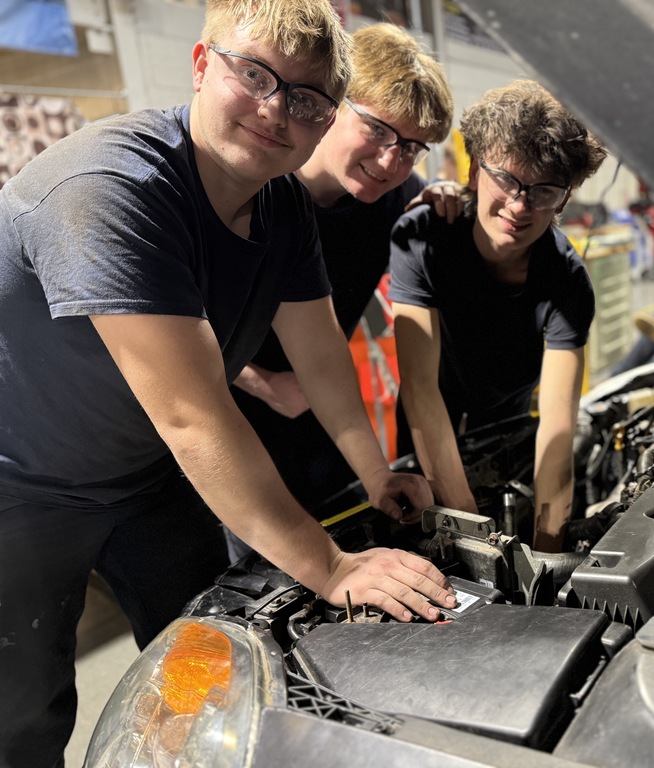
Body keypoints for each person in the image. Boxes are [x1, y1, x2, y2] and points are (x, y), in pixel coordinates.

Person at [0, 3, 455, 765]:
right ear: (203, 64)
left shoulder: (280, 208)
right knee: (23, 710)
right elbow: (194, 418)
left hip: (145, 475)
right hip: (21, 484)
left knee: (213, 657)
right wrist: (334, 567)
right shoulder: (111, 189)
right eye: (256, 75)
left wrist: (378, 476)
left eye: (307, 99)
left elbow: (320, 359)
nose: (277, 110)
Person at [232, 22, 455, 510]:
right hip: (225, 409)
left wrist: (453, 201)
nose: (392, 160)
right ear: (331, 105)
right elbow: (166, 328)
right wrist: (260, 381)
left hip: (326, 409)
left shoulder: (397, 195)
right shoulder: (249, 193)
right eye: (376, 129)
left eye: (413, 147)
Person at [389, 80, 608, 553]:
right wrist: (475, 534)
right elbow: (421, 389)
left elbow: (556, 428)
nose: (519, 205)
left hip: (509, 416)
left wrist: (548, 554)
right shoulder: (424, 237)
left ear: (565, 200)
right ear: (474, 170)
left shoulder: (568, 282)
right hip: (431, 409)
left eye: (543, 190)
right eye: (507, 179)